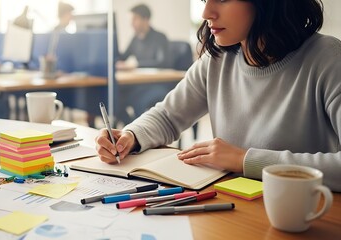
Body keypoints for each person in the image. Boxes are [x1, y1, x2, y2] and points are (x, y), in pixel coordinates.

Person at [96, 0, 341, 192]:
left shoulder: (327, 58)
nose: (206, 13)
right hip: (230, 204)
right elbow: (168, 116)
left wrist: (245, 159)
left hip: (301, 214)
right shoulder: (217, 60)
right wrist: (130, 135)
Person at [117, 4, 171, 69]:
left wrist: (136, 65)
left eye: (135, 19)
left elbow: (161, 63)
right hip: (140, 77)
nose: (131, 23)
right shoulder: (135, 39)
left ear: (146, 19)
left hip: (156, 77)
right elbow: (122, 58)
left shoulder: (160, 37)